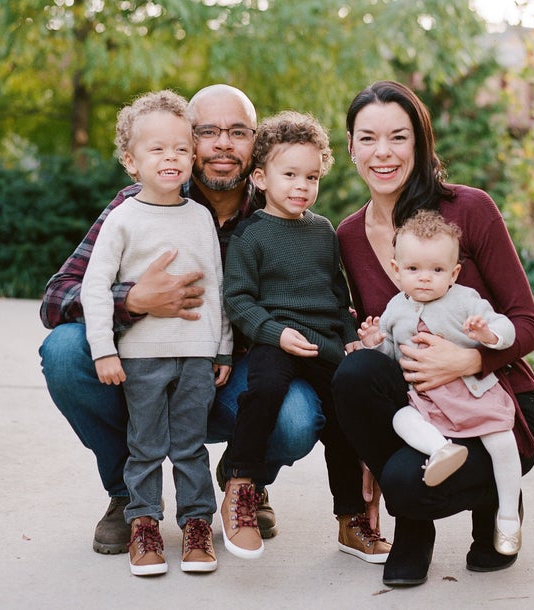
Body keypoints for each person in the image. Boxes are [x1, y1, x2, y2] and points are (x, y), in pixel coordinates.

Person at [38, 85, 324, 556]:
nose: (223, 144)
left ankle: (243, 478)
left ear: (256, 144)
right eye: (206, 132)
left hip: (228, 377)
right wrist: (133, 299)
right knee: (65, 352)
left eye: (237, 131)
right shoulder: (138, 203)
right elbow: (57, 297)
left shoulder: (285, 210)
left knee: (296, 416)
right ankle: (128, 496)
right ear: (188, 142)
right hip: (143, 367)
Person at [333, 80, 534, 587]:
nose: (382, 152)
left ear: (420, 144)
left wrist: (468, 360)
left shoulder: (470, 209)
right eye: (367, 138)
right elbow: (379, 347)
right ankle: (415, 528)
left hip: (494, 401)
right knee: (355, 370)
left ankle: (498, 494)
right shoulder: (347, 235)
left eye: (398, 137)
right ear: (350, 146)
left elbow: (527, 324)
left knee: (420, 482)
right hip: (427, 414)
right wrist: (369, 450)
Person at [220, 110, 391, 563]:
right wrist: (275, 333)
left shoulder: (322, 231)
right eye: (290, 174)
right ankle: (241, 483)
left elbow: (338, 295)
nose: (301, 186)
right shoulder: (249, 234)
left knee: (343, 420)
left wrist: (352, 336)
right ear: (260, 177)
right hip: (276, 341)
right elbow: (238, 300)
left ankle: (351, 520)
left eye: (311, 176)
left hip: (325, 343)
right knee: (267, 389)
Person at [80, 90, 233, 576]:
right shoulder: (123, 218)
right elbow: (93, 286)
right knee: (144, 445)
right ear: (131, 161)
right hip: (141, 358)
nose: (170, 158)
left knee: (189, 446)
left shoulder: (200, 217)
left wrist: (222, 348)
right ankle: (143, 523)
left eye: (181, 149)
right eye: (156, 149)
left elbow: (217, 286)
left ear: (192, 156)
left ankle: (195, 525)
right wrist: (104, 350)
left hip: (195, 357)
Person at [357, 209, 523, 557]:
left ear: (454, 273)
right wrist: (375, 342)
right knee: (402, 419)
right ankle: (441, 449)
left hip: (472, 394)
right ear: (396, 269)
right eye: (413, 269)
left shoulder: (465, 300)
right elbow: (389, 355)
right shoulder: (394, 309)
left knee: (501, 442)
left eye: (436, 270)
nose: (424, 279)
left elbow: (508, 328)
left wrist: (486, 333)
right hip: (427, 403)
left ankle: (508, 514)